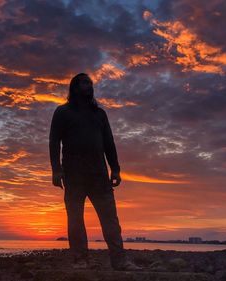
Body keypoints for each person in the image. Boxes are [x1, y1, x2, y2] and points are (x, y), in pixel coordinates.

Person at [49, 73, 141, 271]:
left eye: (90, 83)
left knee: (110, 219)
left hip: (99, 174)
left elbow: (109, 142)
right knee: (75, 219)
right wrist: (56, 170)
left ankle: (119, 260)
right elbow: (54, 141)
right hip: (73, 174)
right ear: (74, 87)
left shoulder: (99, 114)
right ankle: (80, 259)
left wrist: (115, 168)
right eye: (84, 82)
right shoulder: (62, 112)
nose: (89, 85)